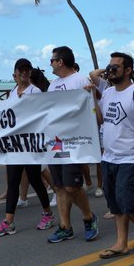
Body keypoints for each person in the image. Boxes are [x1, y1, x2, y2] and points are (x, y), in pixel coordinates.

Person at [96, 52, 134, 259]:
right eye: (109, 67)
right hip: (109, 157)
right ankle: (121, 242)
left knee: (127, 201)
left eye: (115, 67)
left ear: (128, 70)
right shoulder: (109, 93)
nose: (110, 70)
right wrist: (93, 99)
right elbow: (103, 120)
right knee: (114, 203)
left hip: (130, 157)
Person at [0, 58, 56, 236]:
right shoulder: (12, 92)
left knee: (35, 180)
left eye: (28, 70)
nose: (25, 72)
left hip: (30, 145)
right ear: (15, 73)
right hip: (15, 145)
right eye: (22, 70)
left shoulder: (35, 91)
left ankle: (48, 213)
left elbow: (42, 115)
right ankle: (9, 221)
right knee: (13, 182)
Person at [45, 46, 99, 244]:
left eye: (52, 60)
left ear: (61, 62)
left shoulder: (80, 80)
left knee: (71, 186)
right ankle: (64, 226)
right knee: (58, 186)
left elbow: (89, 111)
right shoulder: (53, 85)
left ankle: (88, 217)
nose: (50, 63)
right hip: (56, 141)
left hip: (74, 142)